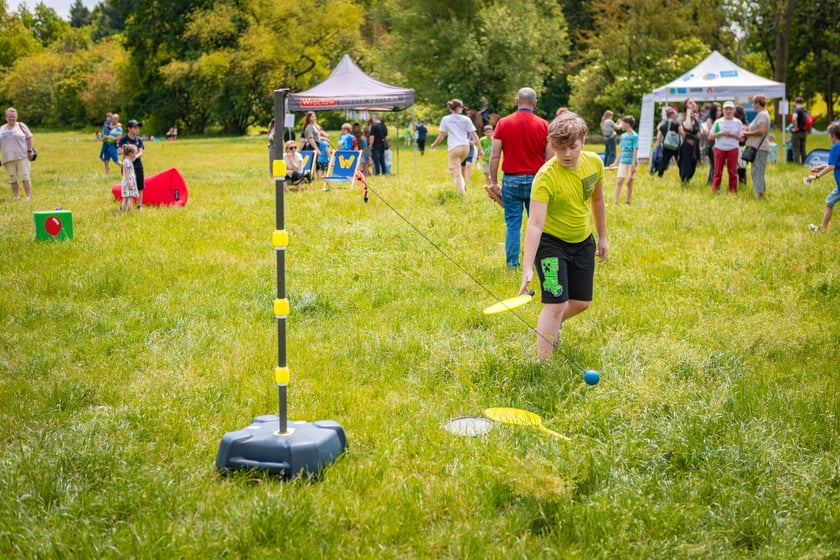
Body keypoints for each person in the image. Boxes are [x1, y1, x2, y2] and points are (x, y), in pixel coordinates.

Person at [518, 111, 608, 361]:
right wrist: (527, 267)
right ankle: (542, 362)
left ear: (583, 142)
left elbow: (598, 199)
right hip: (551, 244)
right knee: (555, 304)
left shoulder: (595, 163)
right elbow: (535, 224)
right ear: (551, 146)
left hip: (582, 241)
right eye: (559, 148)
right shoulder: (545, 177)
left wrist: (602, 237)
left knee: (581, 302)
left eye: (572, 147)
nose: (566, 154)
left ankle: (552, 324)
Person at [488, 88, 552, 268]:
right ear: (535, 103)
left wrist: (493, 182)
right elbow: (550, 158)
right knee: (539, 224)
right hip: (537, 181)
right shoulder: (544, 125)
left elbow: (494, 155)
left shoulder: (503, 123)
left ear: (517, 101)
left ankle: (513, 265)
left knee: (513, 225)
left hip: (511, 180)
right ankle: (539, 264)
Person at [429, 99, 481, 195]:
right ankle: (462, 184)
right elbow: (474, 135)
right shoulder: (466, 119)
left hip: (454, 148)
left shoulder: (446, 119)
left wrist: (434, 145)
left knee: (455, 172)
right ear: (458, 108)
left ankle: (461, 194)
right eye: (461, 107)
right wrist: (480, 149)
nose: (462, 109)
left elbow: (441, 136)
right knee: (457, 168)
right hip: (465, 147)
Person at [807, 122, 840, 232]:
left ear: (833, 135)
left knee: (829, 202)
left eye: (828, 134)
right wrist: (821, 167)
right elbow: (834, 164)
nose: (828, 136)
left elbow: (831, 166)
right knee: (829, 201)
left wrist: (815, 177)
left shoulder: (835, 147)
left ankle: (822, 228)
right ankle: (822, 228)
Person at [708, 101, 743, 194]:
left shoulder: (738, 122)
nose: (728, 111)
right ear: (723, 111)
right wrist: (721, 133)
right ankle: (715, 190)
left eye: (730, 109)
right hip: (719, 148)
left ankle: (733, 191)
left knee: (733, 171)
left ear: (734, 110)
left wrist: (733, 135)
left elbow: (742, 139)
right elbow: (710, 136)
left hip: (733, 148)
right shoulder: (718, 122)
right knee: (717, 171)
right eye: (726, 109)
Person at [0, 107, 35, 201]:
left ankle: (28, 196)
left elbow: (29, 138)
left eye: (14, 116)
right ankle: (16, 196)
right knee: (12, 178)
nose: (12, 118)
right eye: (10, 116)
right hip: (7, 158)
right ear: (6, 117)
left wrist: (29, 150)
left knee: (25, 176)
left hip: (22, 156)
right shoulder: (1, 129)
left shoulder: (21, 126)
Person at [742, 95, 772, 200]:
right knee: (757, 171)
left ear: (758, 104)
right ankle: (762, 196)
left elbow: (761, 131)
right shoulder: (761, 114)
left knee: (757, 172)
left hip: (760, 148)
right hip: (759, 148)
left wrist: (747, 133)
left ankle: (757, 197)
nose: (752, 106)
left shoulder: (762, 115)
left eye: (753, 103)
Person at [118, 119, 145, 209]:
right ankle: (125, 206)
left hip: (138, 166)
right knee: (127, 185)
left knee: (140, 186)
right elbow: (119, 151)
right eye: (135, 128)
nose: (137, 129)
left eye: (138, 128)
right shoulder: (124, 140)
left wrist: (134, 157)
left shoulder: (139, 140)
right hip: (127, 168)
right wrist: (126, 155)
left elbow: (141, 152)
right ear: (129, 129)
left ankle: (139, 205)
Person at [613, 115, 638, 205]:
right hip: (623, 161)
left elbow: (635, 150)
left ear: (628, 124)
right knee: (619, 181)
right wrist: (615, 162)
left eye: (622, 123)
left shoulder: (635, 136)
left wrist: (633, 164)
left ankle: (627, 202)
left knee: (629, 182)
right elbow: (621, 150)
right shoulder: (623, 136)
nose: (621, 125)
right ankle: (615, 202)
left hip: (631, 162)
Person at [678, 99, 701, 184]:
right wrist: (688, 113)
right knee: (686, 165)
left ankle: (687, 180)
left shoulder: (696, 116)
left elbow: (697, 130)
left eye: (694, 102)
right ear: (686, 106)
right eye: (690, 103)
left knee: (693, 166)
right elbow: (687, 126)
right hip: (687, 145)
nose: (693, 104)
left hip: (695, 145)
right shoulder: (685, 116)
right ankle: (684, 182)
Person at [656, 108, 681, 177]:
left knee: (664, 162)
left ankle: (659, 175)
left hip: (666, 146)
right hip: (675, 146)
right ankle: (682, 175)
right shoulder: (676, 123)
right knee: (679, 161)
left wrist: (658, 147)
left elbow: (659, 137)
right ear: (672, 115)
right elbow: (682, 133)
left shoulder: (662, 125)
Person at [701, 103, 721, 185]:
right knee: (714, 164)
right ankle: (712, 182)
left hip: (717, 144)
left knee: (714, 165)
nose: (719, 112)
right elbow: (710, 133)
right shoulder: (710, 120)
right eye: (718, 110)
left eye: (720, 110)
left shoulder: (719, 120)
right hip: (711, 145)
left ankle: (710, 181)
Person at [120, 144, 139, 212]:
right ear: (130, 153)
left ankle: (123, 212)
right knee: (130, 198)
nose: (135, 155)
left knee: (125, 198)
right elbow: (127, 173)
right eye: (134, 153)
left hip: (126, 182)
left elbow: (125, 173)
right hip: (129, 182)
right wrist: (129, 183)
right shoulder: (127, 162)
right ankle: (130, 212)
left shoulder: (126, 161)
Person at [734, 104, 749, 187]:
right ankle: (741, 184)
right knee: (741, 168)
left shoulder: (744, 124)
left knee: (741, 169)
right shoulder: (746, 123)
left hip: (741, 147)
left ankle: (742, 184)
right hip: (741, 147)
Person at [791, 97, 808, 165]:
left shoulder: (796, 110)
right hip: (804, 132)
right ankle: (805, 162)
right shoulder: (805, 110)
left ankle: (796, 164)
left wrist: (795, 128)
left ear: (795, 102)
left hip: (797, 133)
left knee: (796, 149)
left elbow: (794, 119)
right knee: (803, 149)